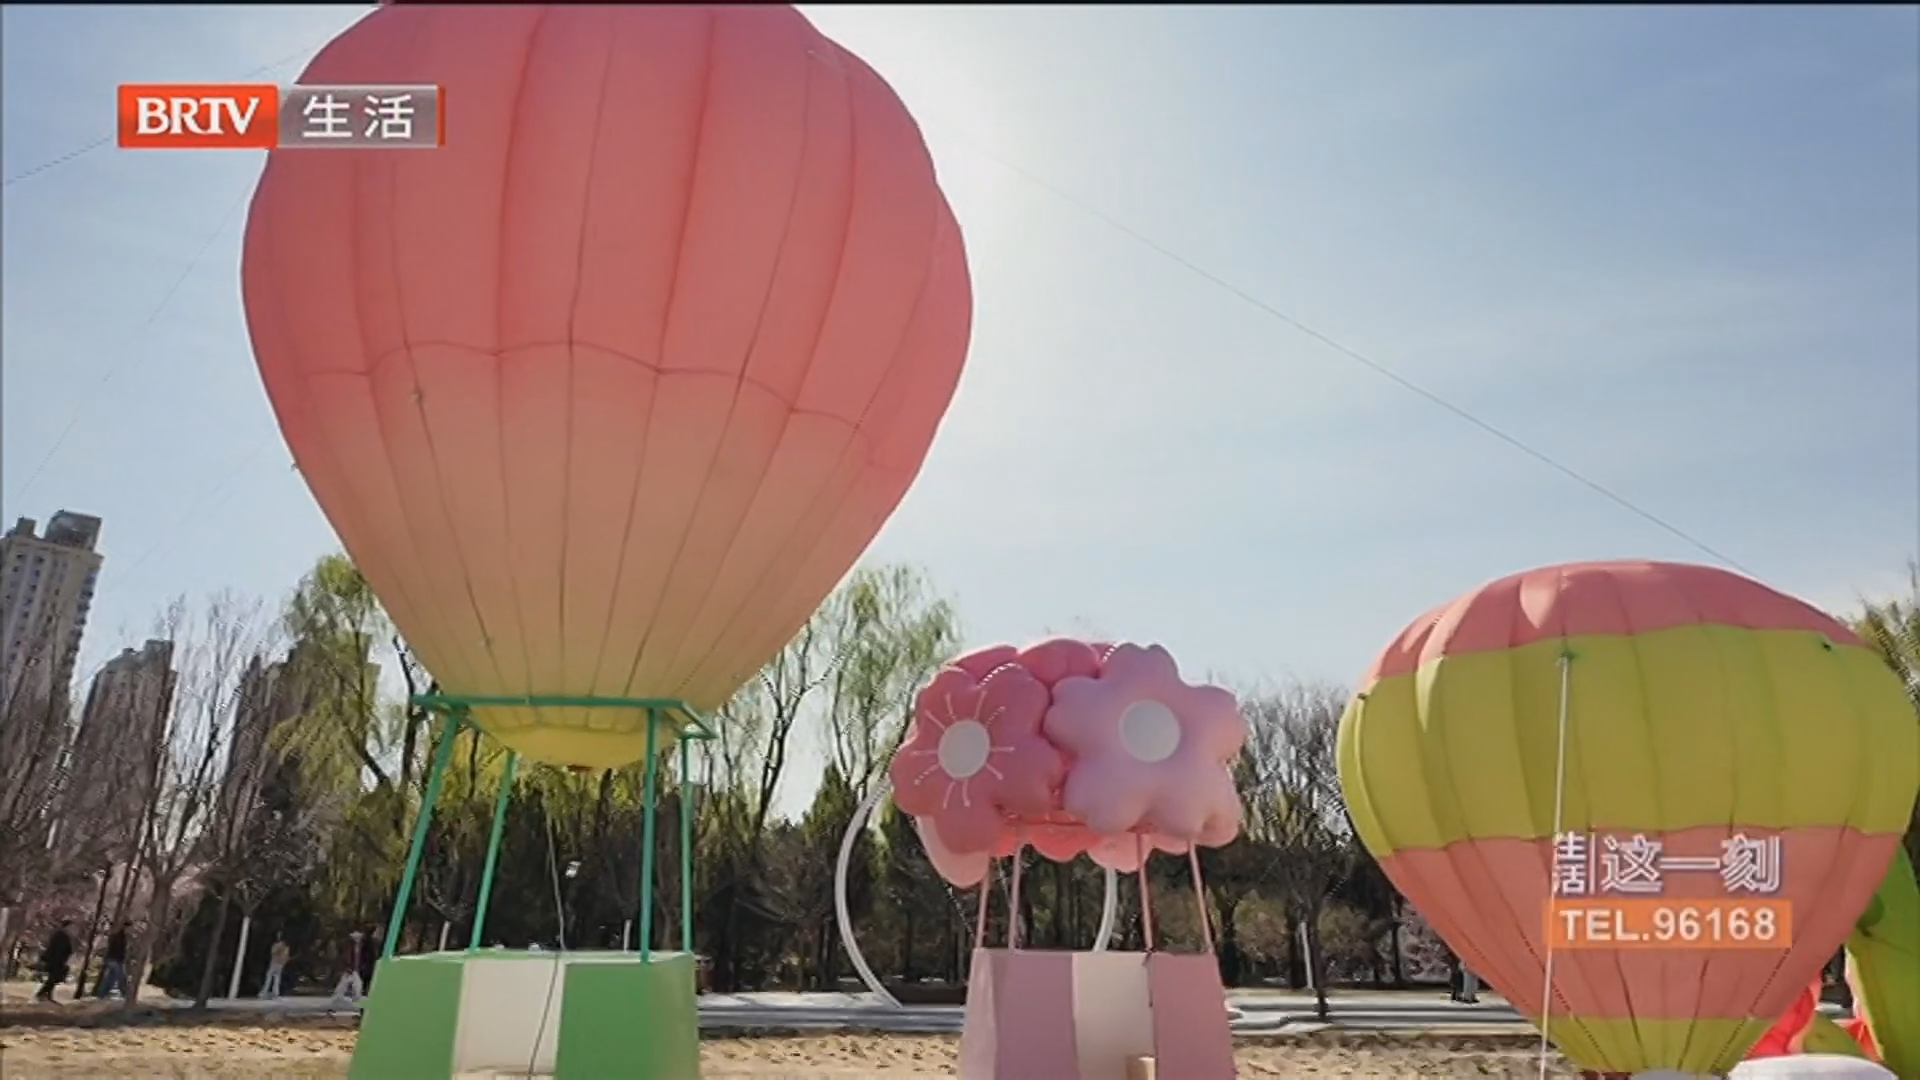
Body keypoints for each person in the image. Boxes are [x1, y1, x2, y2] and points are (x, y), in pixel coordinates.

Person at [34, 920, 75, 1003]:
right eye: (72, 927)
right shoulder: (61, 935)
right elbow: (59, 949)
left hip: (57, 960)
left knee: (53, 979)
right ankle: (40, 994)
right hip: (56, 960)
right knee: (53, 978)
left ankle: (47, 995)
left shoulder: (62, 935)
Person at [94, 921, 130, 999]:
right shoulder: (120, 938)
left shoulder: (119, 937)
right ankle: (125, 995)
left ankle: (101, 994)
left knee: (110, 978)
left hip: (112, 959)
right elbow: (118, 950)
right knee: (120, 978)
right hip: (115, 959)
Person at [332, 930, 365, 1003]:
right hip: (350, 968)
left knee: (354, 984)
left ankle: (340, 996)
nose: (358, 939)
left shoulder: (360, 947)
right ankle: (338, 997)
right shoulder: (350, 947)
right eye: (356, 937)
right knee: (348, 983)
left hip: (355, 969)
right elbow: (347, 957)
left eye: (359, 937)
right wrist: (348, 968)